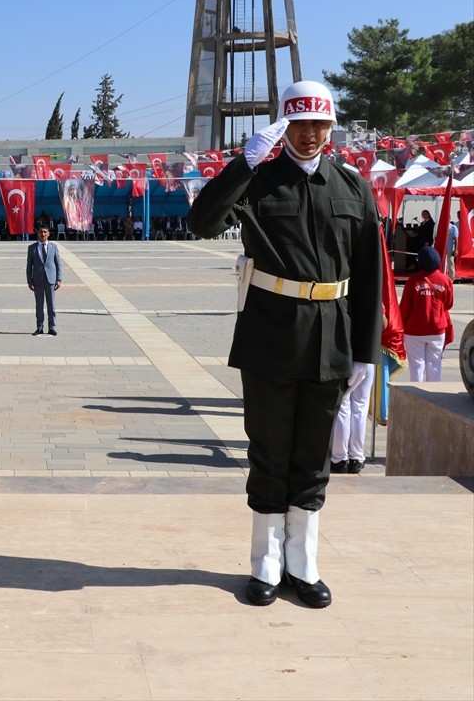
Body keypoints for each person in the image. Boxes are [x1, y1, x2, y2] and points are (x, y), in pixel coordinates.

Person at [187, 81, 382, 609]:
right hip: (271, 335)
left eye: (319, 124)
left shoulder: (352, 186)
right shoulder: (259, 182)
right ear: (283, 126)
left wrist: (366, 350)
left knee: (313, 456)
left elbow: (369, 274)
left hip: (331, 336)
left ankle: (304, 562)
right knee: (270, 452)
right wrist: (243, 165)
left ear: (330, 127)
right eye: (299, 125)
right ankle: (266, 563)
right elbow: (201, 222)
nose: (309, 134)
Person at [400, 244, 454, 382]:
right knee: (435, 366)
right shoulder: (446, 280)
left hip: (414, 331)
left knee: (416, 367)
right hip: (437, 330)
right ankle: (433, 397)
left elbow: (404, 308)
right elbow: (448, 304)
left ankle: (417, 397)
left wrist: (400, 327)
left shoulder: (412, 281)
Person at [330, 360, 374, 475]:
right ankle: (356, 458)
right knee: (359, 410)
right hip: (366, 360)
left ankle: (340, 458)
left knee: (342, 408)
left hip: (345, 359)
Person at [26, 224, 62, 336]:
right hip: (37, 280)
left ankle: (52, 327)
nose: (43, 234)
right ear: (38, 233)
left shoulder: (53, 247)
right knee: (39, 305)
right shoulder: (32, 248)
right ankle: (39, 327)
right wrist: (29, 281)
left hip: (50, 279)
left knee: (51, 305)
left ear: (48, 234)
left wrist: (59, 279)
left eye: (45, 232)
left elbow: (58, 264)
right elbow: (29, 266)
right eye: (41, 232)